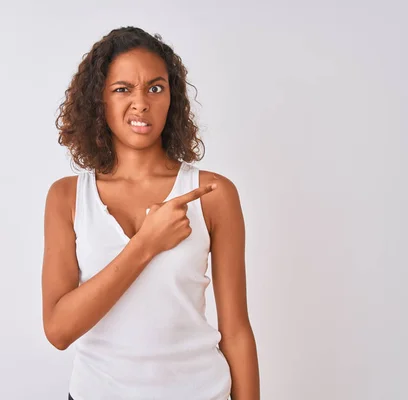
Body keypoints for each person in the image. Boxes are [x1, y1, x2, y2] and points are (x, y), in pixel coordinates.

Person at [42, 26, 260, 400]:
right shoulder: (67, 197)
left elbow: (236, 330)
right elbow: (59, 331)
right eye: (123, 89)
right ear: (100, 101)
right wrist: (145, 244)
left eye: (155, 88)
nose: (141, 103)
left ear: (171, 99)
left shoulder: (212, 194)